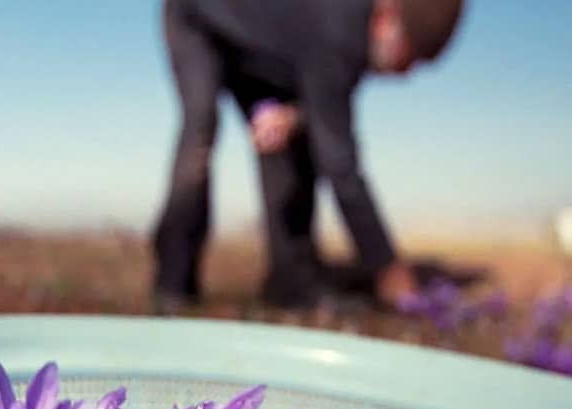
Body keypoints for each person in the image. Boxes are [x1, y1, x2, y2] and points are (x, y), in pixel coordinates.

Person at [151, 0, 465, 313]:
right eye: (409, 56)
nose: (406, 73)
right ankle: (173, 282)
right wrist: (386, 268)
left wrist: (294, 117)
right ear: (387, 16)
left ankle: (291, 283)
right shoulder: (340, 33)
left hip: (263, 56)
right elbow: (342, 168)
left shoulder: (349, 37)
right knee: (201, 127)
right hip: (197, 17)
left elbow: (318, 105)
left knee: (288, 141)